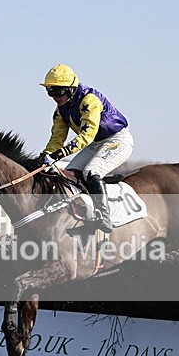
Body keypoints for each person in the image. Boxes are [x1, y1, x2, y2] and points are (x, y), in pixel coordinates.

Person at [37, 64, 133, 233]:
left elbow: (86, 136)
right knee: (69, 175)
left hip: (116, 139)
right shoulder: (60, 110)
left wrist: (59, 154)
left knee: (90, 172)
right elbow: (57, 138)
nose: (54, 97)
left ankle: (104, 216)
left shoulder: (90, 100)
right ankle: (86, 219)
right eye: (50, 92)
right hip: (95, 144)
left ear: (71, 89)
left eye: (58, 91)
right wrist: (46, 155)